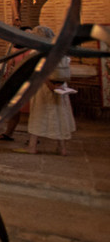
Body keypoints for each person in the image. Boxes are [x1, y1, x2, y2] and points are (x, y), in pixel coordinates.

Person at [17, 25, 76, 156]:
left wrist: (49, 85)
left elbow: (39, 71)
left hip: (44, 87)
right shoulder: (61, 50)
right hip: (61, 86)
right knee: (60, 115)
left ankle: (32, 147)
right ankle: (62, 148)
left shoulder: (38, 51)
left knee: (39, 115)